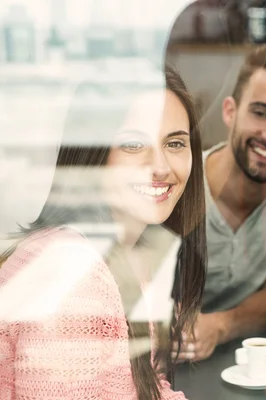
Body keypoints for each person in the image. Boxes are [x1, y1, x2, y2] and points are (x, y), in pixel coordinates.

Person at [0, 66, 205, 399]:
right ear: (94, 155)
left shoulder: (125, 250)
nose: (162, 167)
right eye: (134, 144)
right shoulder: (75, 283)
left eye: (176, 143)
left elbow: (147, 386)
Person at [174, 43, 266, 362]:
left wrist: (220, 325)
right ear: (230, 111)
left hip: (255, 355)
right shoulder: (182, 180)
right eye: (260, 113)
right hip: (177, 356)